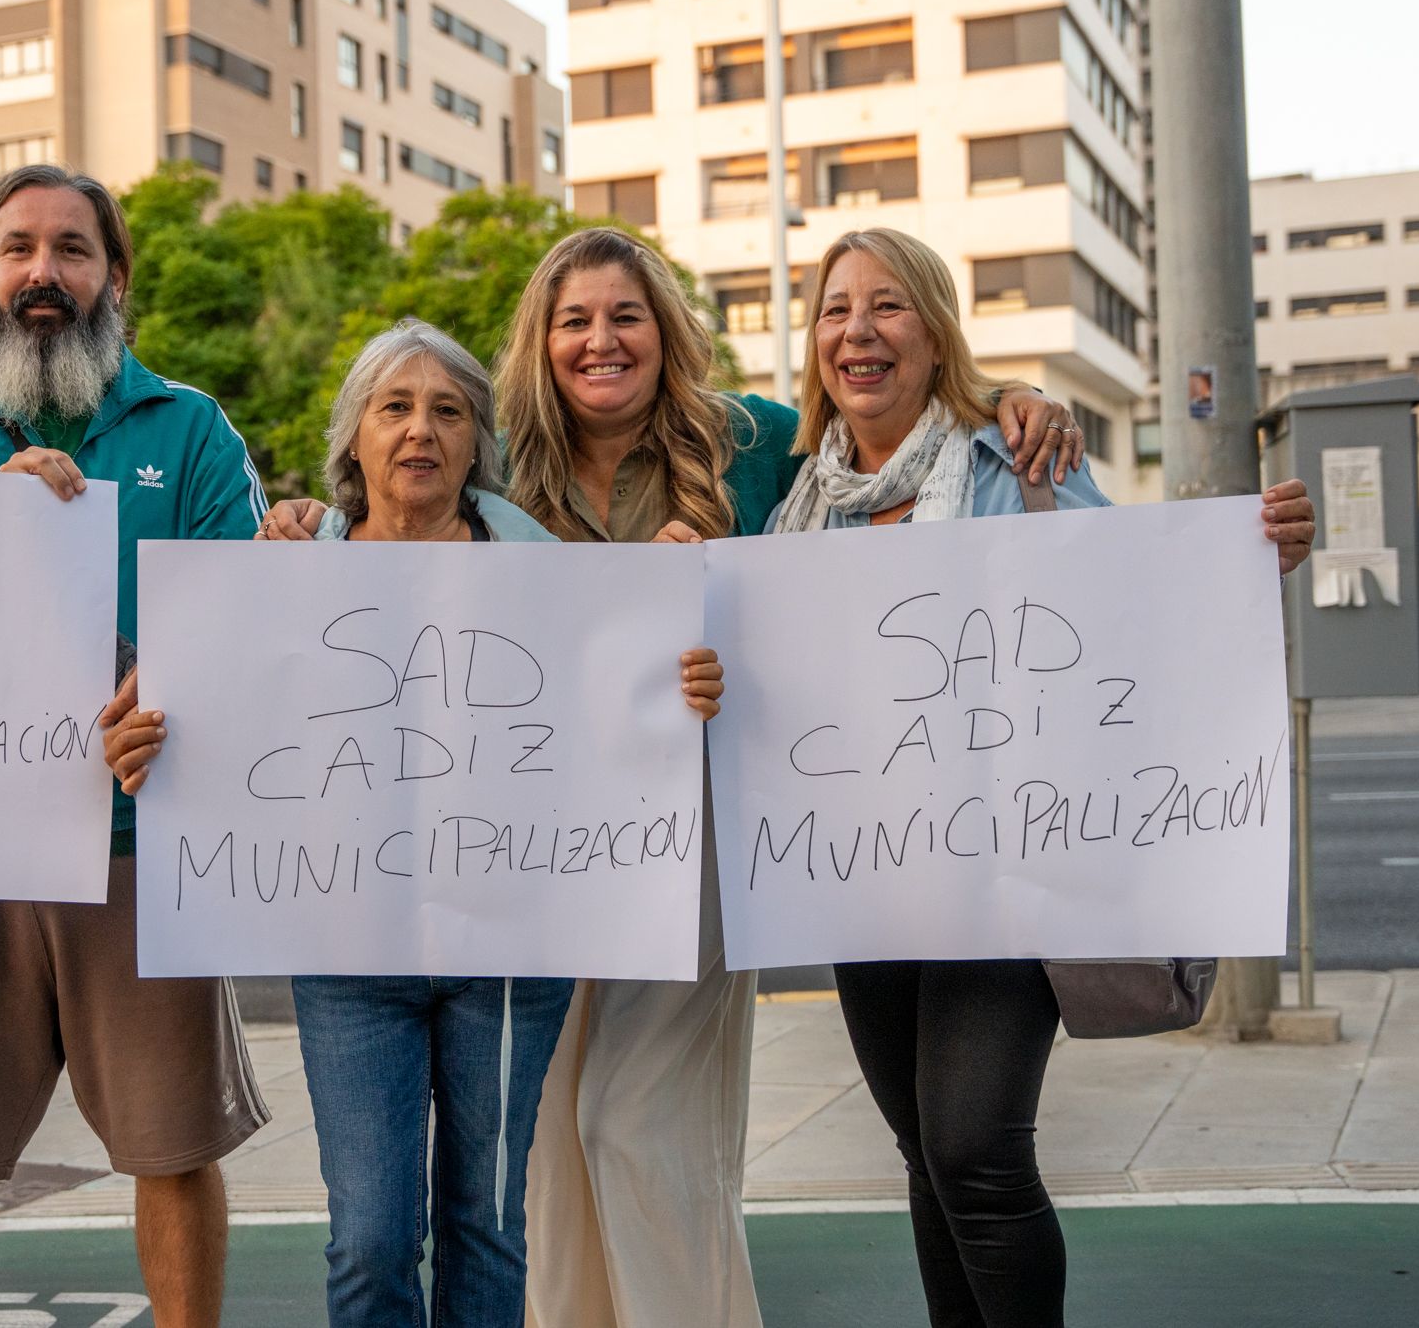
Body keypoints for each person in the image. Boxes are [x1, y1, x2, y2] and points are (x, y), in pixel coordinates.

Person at [264, 226, 1085, 1328]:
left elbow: (889, 435)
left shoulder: (755, 442)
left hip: (693, 836)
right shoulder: (503, 466)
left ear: (665, 330)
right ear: (541, 342)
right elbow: (392, 537)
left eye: (626, 316)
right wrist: (307, 523)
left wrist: (1013, 399)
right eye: (573, 320)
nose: (600, 340)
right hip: (537, 852)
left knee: (636, 1125)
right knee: (548, 1143)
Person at [102, 318, 728, 1328]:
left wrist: (680, 681)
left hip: (511, 957)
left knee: (488, 1223)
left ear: (479, 441)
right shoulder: (280, 576)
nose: (419, 430)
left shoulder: (560, 578)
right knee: (372, 1234)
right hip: (346, 954)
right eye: (393, 407)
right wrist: (149, 749)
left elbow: (626, 724)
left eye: (447, 410)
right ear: (352, 438)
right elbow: (211, 730)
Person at [769, 226, 1316, 1327]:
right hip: (866, 879)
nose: (857, 330)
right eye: (834, 309)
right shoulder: (797, 501)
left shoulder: (1018, 461)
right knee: (927, 1154)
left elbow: (1134, 605)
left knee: (975, 1148)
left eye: (887, 305)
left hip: (1007, 871)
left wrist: (1249, 561)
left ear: (935, 333)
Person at [0, 164, 269, 1328]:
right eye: (20, 248)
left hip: (141, 846)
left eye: (73, 249)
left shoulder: (192, 427)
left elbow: (246, 617)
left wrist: (172, 685)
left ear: (115, 276)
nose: (44, 272)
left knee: (172, 1148)